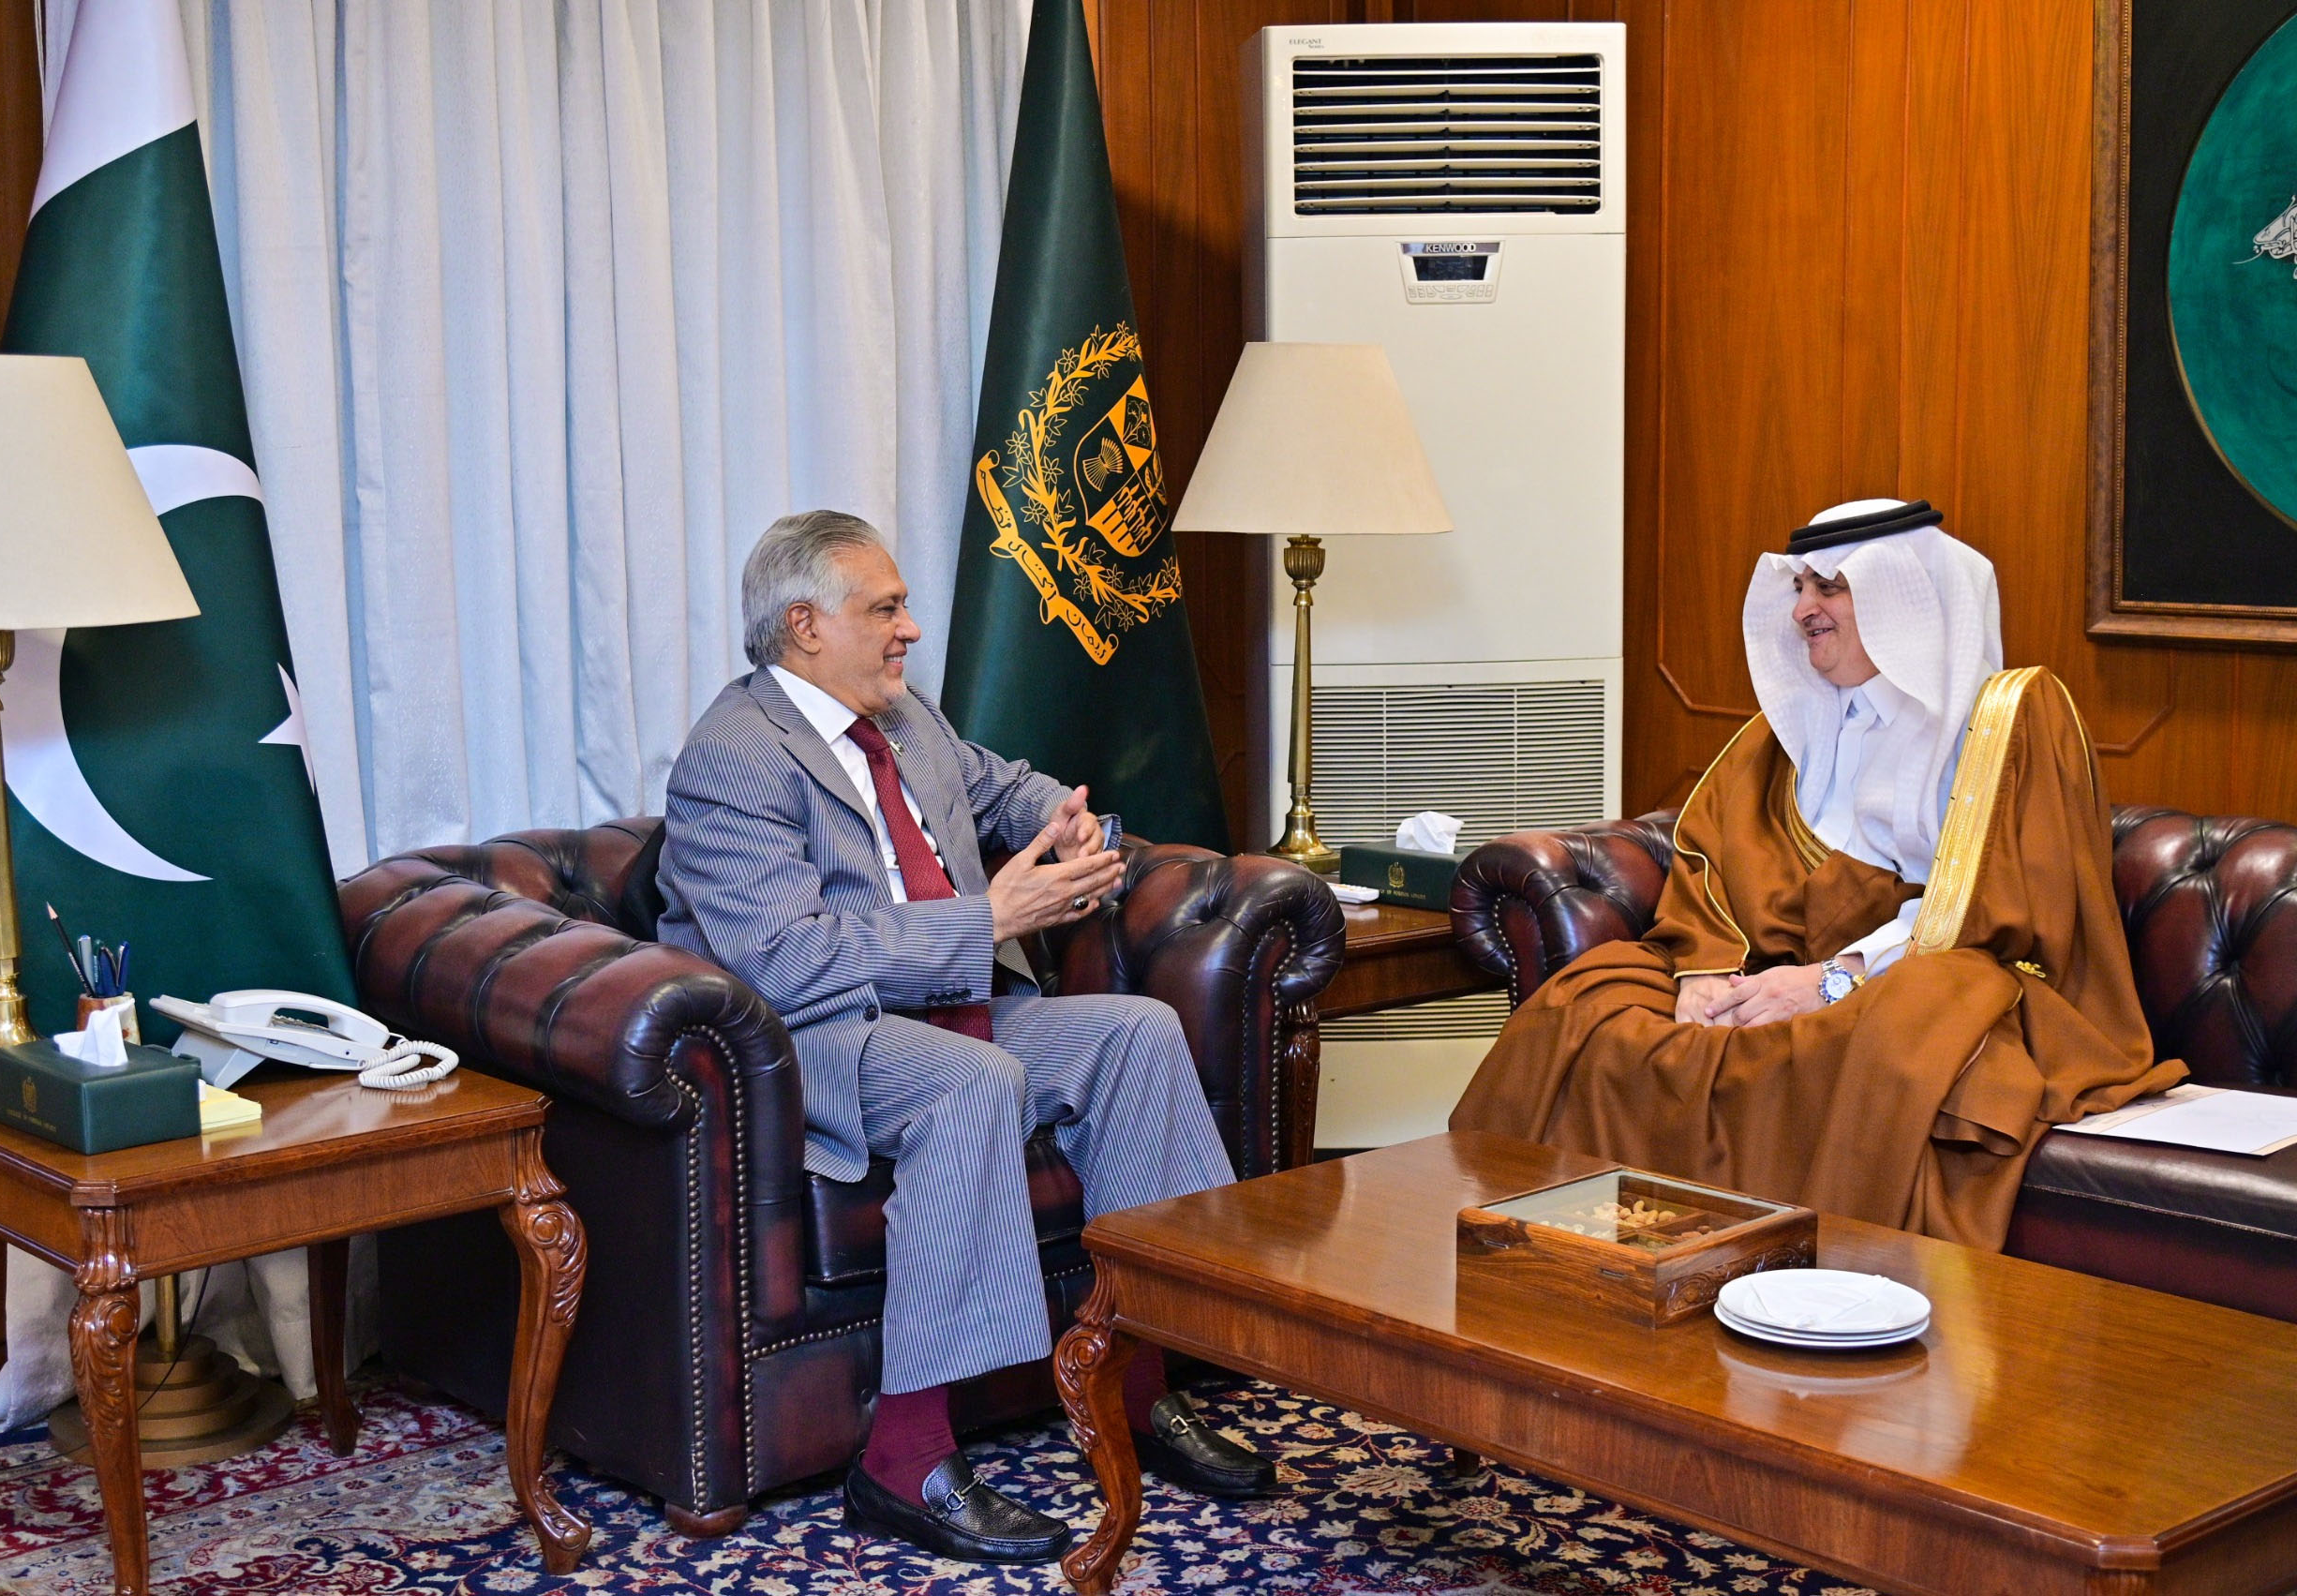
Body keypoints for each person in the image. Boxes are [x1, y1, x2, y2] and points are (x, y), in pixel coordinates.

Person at [657, 510, 1274, 1564]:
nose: (909, 629)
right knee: (971, 1080)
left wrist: (1071, 824)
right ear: (805, 624)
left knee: (1137, 1034)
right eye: (885, 609)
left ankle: (1142, 1380)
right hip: (819, 1034)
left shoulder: (902, 718)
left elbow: (1004, 785)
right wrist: (988, 918)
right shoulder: (734, 757)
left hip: (948, 1005)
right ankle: (904, 1459)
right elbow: (787, 961)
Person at [1449, 499, 2185, 1247]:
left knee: (1920, 1012)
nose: (1803, 609)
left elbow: (2010, 909)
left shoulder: (2013, 720)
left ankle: (1802, 1273)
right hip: (1769, 970)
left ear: (1906, 595)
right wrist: (1702, 974)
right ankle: (1552, 1253)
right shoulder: (1786, 728)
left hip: (1922, 975)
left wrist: (1835, 980)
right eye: (1799, 586)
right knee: (1587, 1000)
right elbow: (1711, 861)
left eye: (1829, 587)